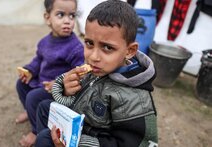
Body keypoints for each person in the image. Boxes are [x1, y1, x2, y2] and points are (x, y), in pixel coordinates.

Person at [35, 0, 158, 147]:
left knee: (44, 138)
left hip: (93, 141)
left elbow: (136, 143)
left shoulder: (135, 99)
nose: (93, 56)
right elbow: (77, 102)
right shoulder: (95, 69)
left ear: (129, 51)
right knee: (43, 107)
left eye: (107, 47)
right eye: (89, 43)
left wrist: (76, 142)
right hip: (82, 123)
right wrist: (66, 90)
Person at [15, 0, 84, 146]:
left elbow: (78, 73)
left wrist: (59, 83)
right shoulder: (44, 42)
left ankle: (35, 131)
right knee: (21, 84)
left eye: (72, 16)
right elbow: (38, 60)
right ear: (47, 18)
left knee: (33, 97)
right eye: (60, 15)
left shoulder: (75, 47)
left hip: (57, 90)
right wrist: (29, 71)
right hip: (42, 82)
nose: (67, 21)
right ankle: (29, 111)